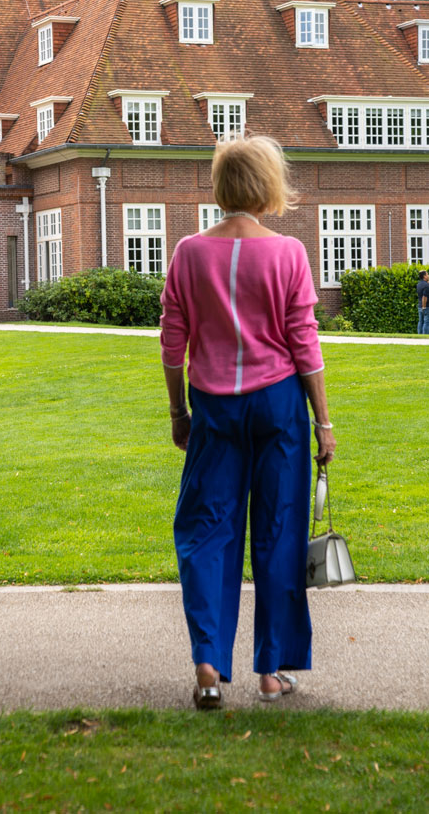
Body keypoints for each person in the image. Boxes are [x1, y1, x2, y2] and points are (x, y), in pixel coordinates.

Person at [160, 135, 336, 710]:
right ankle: (269, 671)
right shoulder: (288, 253)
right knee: (280, 533)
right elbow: (304, 345)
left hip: (214, 406)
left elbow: (172, 345)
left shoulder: (188, 252)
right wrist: (324, 424)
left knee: (207, 531)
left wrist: (177, 411)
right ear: (267, 185)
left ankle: (209, 669)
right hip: (278, 406)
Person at [416, 270, 429, 335]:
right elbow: (424, 297)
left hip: (420, 305)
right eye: (427, 274)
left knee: (420, 322)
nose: (428, 276)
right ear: (424, 276)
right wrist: (424, 307)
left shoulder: (418, 284)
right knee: (426, 322)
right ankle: (425, 336)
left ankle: (419, 335)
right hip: (426, 306)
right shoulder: (426, 285)